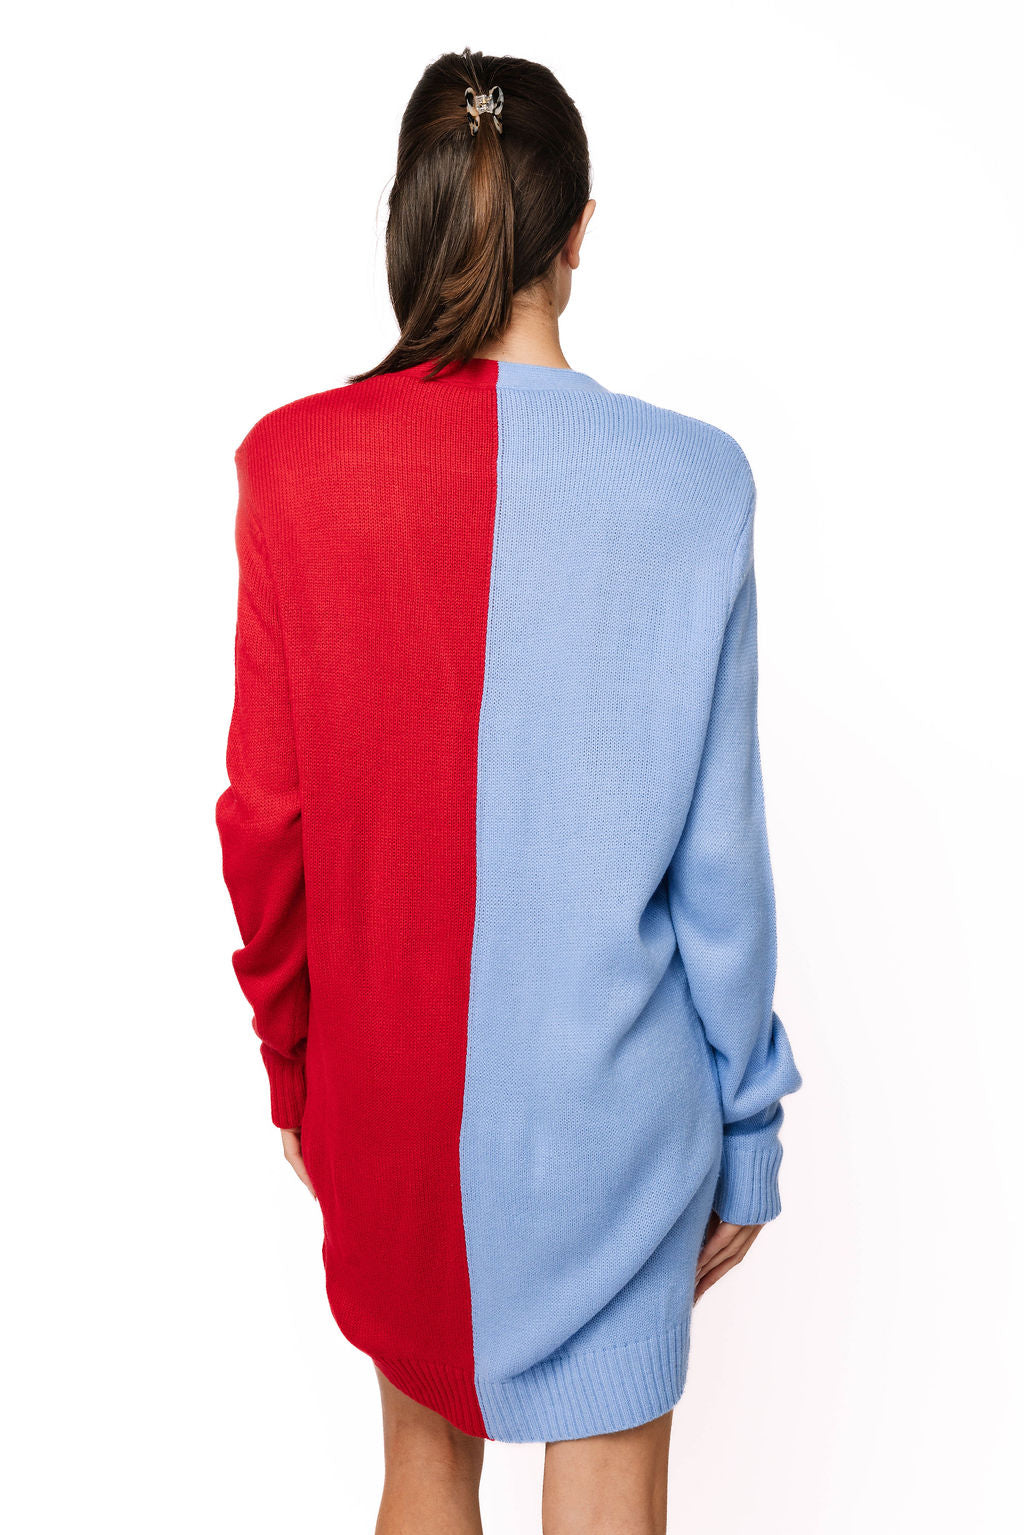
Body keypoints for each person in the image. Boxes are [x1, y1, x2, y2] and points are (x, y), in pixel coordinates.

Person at [216, 46, 803, 1535]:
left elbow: (265, 824)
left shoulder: (292, 469)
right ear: (580, 230)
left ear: (407, 221)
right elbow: (720, 861)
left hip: (391, 1101)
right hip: (616, 1117)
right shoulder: (698, 483)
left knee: (422, 1473)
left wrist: (298, 1068)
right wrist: (749, 1126)